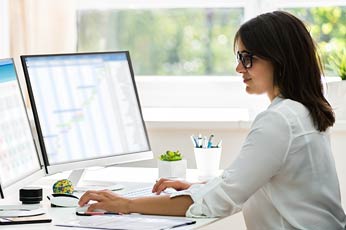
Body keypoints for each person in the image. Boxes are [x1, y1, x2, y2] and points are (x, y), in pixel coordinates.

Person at [79, 11, 346, 229]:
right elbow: (252, 181)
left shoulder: (279, 120)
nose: (239, 68)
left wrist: (126, 204)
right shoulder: (303, 111)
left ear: (279, 60)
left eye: (247, 58)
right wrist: (199, 186)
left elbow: (220, 201)